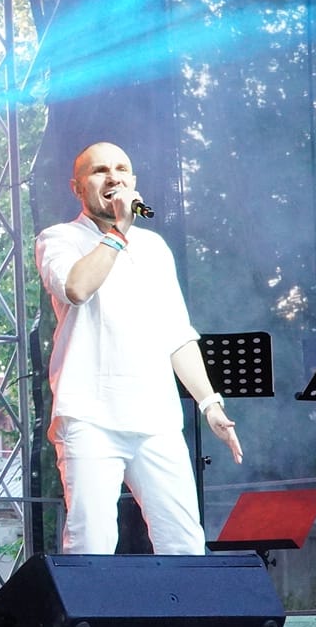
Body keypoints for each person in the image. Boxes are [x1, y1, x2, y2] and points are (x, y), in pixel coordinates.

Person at [35, 142, 242, 558]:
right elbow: (77, 288)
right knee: (91, 544)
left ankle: (182, 607)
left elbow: (177, 334)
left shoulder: (154, 247)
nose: (113, 177)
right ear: (78, 187)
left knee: (185, 544)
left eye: (121, 169)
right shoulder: (59, 238)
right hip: (89, 415)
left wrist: (210, 404)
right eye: (100, 170)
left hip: (156, 417)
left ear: (133, 181)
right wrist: (118, 232)